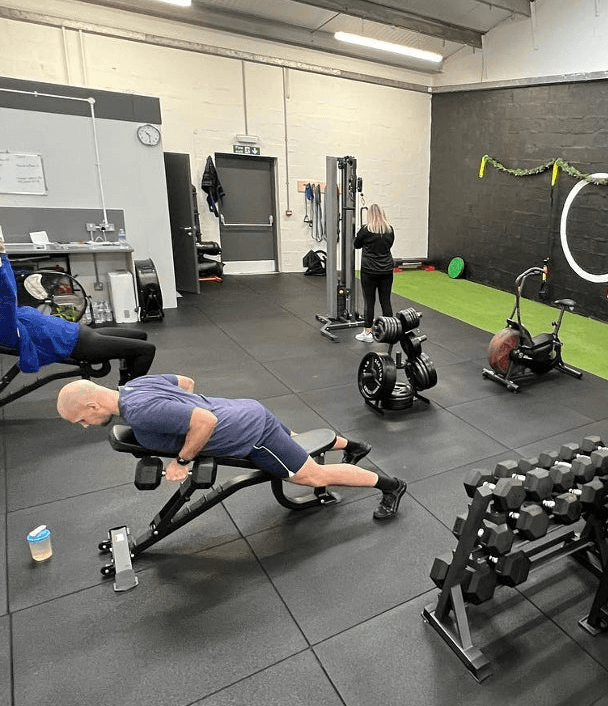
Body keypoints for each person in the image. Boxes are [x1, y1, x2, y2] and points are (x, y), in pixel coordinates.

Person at [56, 375, 407, 521]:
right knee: (297, 440)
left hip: (249, 433)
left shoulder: (141, 410)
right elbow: (186, 383)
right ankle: (356, 445)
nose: (85, 426)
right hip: (244, 409)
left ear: (90, 406)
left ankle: (391, 486)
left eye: (81, 420)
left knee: (311, 476)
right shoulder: (133, 386)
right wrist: (190, 414)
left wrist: (182, 460)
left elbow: (204, 422)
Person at [1, 240, 156, 385]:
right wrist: (1, 267)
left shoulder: (10, 315)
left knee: (141, 336)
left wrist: (3, 255)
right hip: (80, 345)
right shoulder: (6, 326)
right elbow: (7, 296)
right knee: (147, 350)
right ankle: (126, 394)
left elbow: (11, 291)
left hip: (81, 332)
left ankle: (125, 380)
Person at [353, 203, 395, 343]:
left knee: (369, 302)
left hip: (369, 271)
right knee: (386, 301)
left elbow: (356, 245)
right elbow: (389, 245)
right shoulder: (390, 230)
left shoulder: (365, 230)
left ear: (370, 214)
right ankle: (390, 331)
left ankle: (367, 333)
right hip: (386, 271)